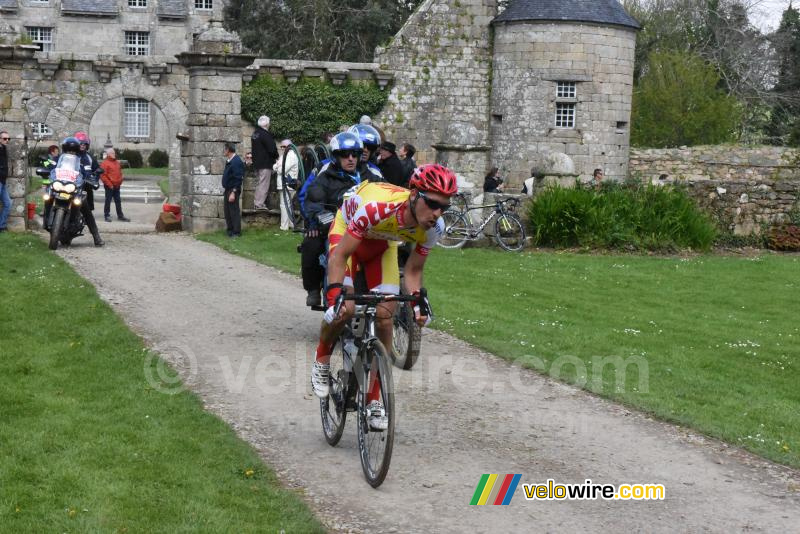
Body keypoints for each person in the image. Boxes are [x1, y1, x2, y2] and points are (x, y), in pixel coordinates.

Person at [310, 164, 457, 430]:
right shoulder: (376, 208)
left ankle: (374, 399)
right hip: (349, 234)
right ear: (414, 194)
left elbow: (412, 270)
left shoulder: (434, 228)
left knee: (386, 316)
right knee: (346, 309)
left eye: (444, 207)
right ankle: (321, 359)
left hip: (382, 243)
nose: (437, 213)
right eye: (433, 203)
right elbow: (340, 256)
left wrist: (416, 303)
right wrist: (334, 297)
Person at [301, 130, 383, 307]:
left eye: (355, 154)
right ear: (336, 157)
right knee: (311, 243)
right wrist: (320, 218)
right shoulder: (325, 176)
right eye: (345, 155)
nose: (351, 159)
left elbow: (387, 194)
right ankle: (314, 289)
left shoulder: (371, 174)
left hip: (368, 228)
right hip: (335, 226)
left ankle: (398, 302)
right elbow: (313, 199)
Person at [73, 131, 104, 246]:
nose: (82, 145)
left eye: (84, 144)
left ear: (87, 145)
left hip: (83, 189)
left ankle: (96, 237)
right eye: (80, 143)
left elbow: (97, 169)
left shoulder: (89, 157)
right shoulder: (69, 156)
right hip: (69, 186)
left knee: (87, 212)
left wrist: (97, 174)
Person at [251, 115, 278, 210]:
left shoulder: (255, 134)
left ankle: (257, 202)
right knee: (263, 184)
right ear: (266, 124)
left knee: (259, 183)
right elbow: (272, 149)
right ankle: (259, 204)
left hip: (257, 163)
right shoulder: (265, 134)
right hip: (265, 163)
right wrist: (276, 156)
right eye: (269, 122)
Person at [273, 139, 298, 231]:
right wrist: (277, 166)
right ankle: (290, 224)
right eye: (281, 147)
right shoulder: (285, 155)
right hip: (286, 184)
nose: (282, 148)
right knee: (288, 204)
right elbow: (277, 166)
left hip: (287, 184)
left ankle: (284, 226)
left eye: (284, 146)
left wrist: (277, 166)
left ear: (289, 146)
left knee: (284, 205)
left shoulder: (290, 156)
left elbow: (281, 170)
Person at [99, 148, 130, 222]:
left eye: (114, 153)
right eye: (112, 153)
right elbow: (103, 175)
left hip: (117, 185)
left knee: (118, 201)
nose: (114, 154)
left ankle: (120, 216)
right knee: (108, 200)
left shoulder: (117, 162)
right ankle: (107, 215)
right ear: (108, 154)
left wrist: (121, 180)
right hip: (109, 186)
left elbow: (120, 172)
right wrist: (110, 184)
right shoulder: (105, 163)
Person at [222, 142, 244, 238]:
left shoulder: (236, 161)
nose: (224, 151)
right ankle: (230, 231)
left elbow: (238, 178)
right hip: (227, 189)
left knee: (234, 211)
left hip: (232, 190)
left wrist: (233, 192)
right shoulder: (230, 160)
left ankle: (236, 232)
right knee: (227, 212)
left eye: (225, 149)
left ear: (228, 150)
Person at [0, 131, 10, 232]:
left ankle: (1, 226)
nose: (7, 140)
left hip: (2, 181)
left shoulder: (4, 148)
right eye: (4, 138)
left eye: (8, 139)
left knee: (7, 204)